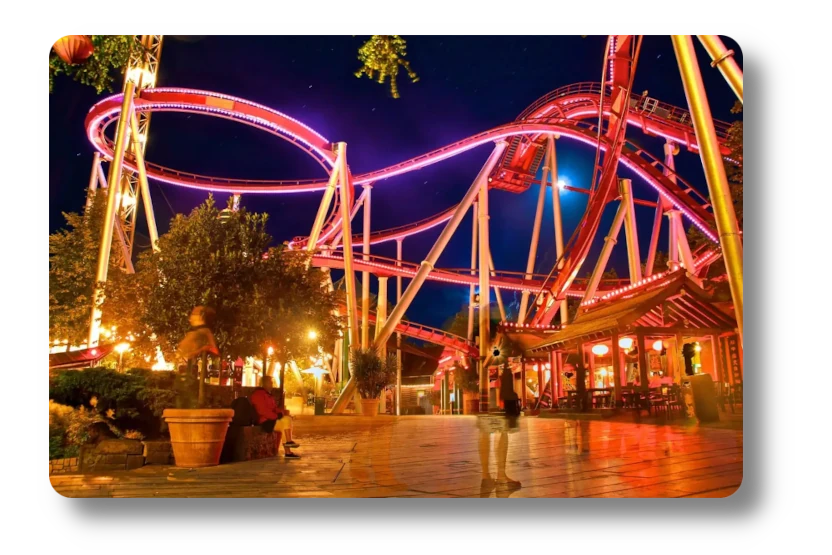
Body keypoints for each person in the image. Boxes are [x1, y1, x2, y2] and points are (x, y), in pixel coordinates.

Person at [477, 364, 521, 495]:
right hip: (500, 381)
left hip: (483, 378)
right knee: (502, 427)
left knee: (485, 427)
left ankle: (486, 477)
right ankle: (501, 477)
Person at [250, 375, 300, 458]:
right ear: (265, 383)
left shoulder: (268, 394)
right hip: (265, 421)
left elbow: (274, 408)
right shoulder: (258, 394)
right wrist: (276, 416)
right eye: (270, 382)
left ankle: (288, 448)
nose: (272, 384)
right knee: (286, 421)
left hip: (271, 419)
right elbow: (262, 411)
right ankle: (288, 446)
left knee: (286, 421)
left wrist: (281, 413)